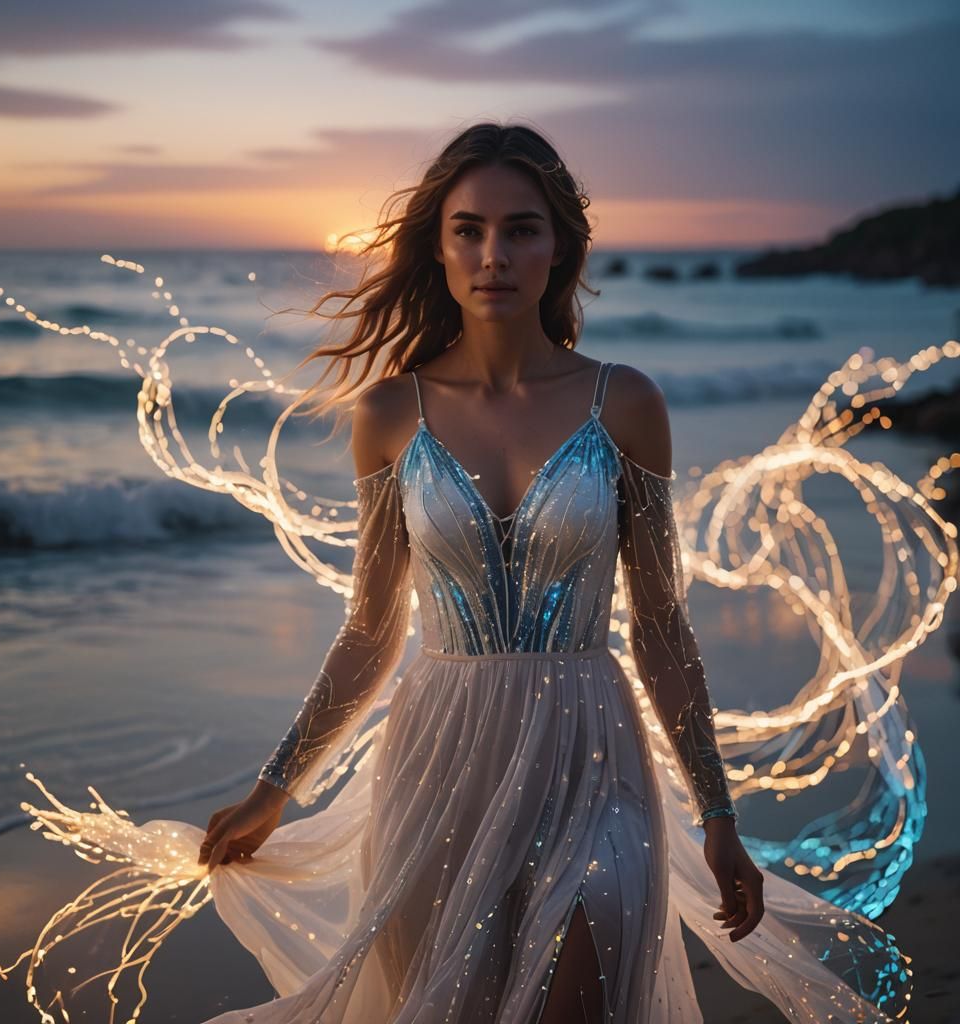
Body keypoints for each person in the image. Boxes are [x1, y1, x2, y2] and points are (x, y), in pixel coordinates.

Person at [183, 123, 908, 1023]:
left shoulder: (624, 402)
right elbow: (371, 631)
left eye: (521, 229)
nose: (494, 254)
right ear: (438, 248)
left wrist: (719, 818)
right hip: (440, 766)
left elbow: (661, 627)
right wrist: (273, 790)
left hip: (593, 758)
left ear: (560, 246)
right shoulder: (391, 413)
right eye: (469, 230)